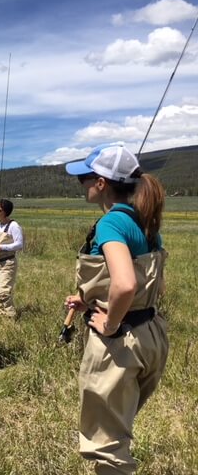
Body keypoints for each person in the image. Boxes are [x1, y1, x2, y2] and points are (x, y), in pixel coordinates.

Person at [64, 143, 168, 475]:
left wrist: (109, 321)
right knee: (119, 427)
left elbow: (125, 284)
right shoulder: (147, 223)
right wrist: (92, 299)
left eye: (85, 178)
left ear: (101, 183)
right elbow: (151, 286)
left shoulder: (110, 225)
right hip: (151, 335)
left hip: (121, 341)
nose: (81, 184)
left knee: (107, 445)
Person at [0, 198, 23, 318]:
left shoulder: (13, 226)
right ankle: (0, 316)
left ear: (6, 211)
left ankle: (11, 317)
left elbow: (19, 244)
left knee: (3, 292)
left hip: (7, 263)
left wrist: (3, 247)